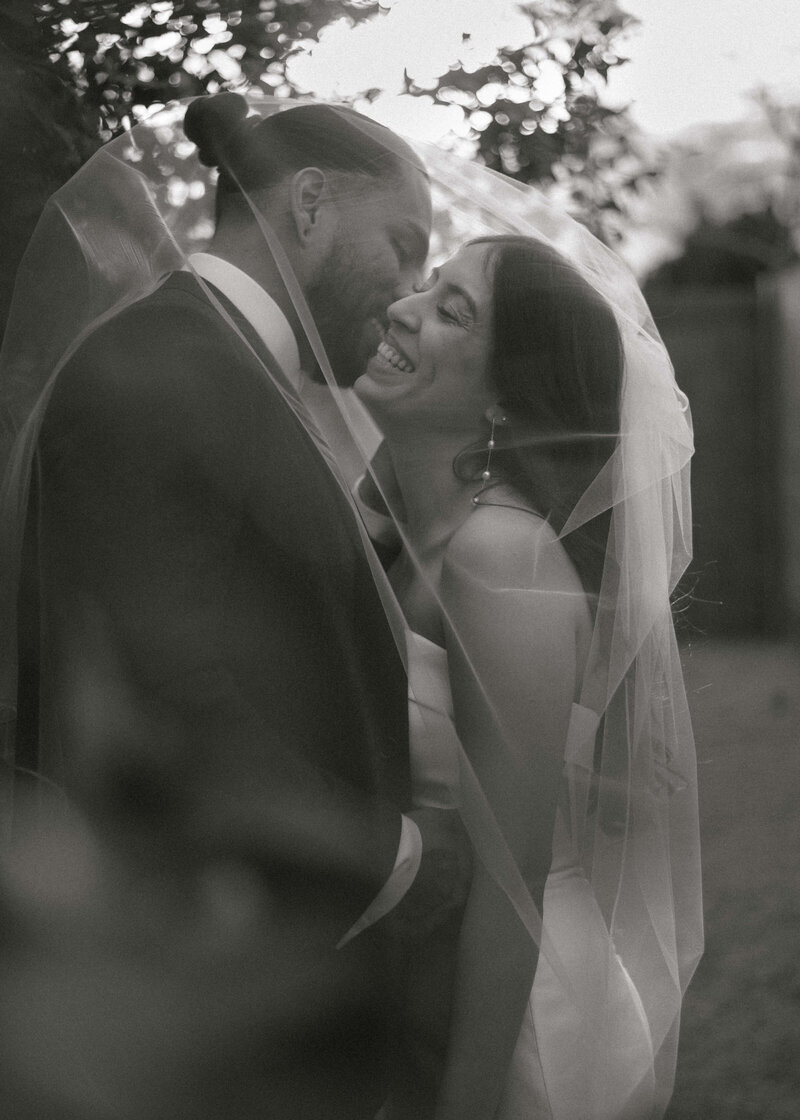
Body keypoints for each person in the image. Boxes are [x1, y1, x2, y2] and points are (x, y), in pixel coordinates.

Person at [0, 93, 469, 1120]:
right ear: (306, 207)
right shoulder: (163, 370)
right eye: (400, 244)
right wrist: (393, 861)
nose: (404, 293)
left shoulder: (228, 363)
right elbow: (169, 692)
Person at [352, 234, 702, 1119]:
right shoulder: (415, 529)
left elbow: (512, 885)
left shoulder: (500, 558)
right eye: (427, 285)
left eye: (451, 309)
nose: (404, 306)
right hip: (427, 977)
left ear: (508, 392)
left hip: (517, 1020)